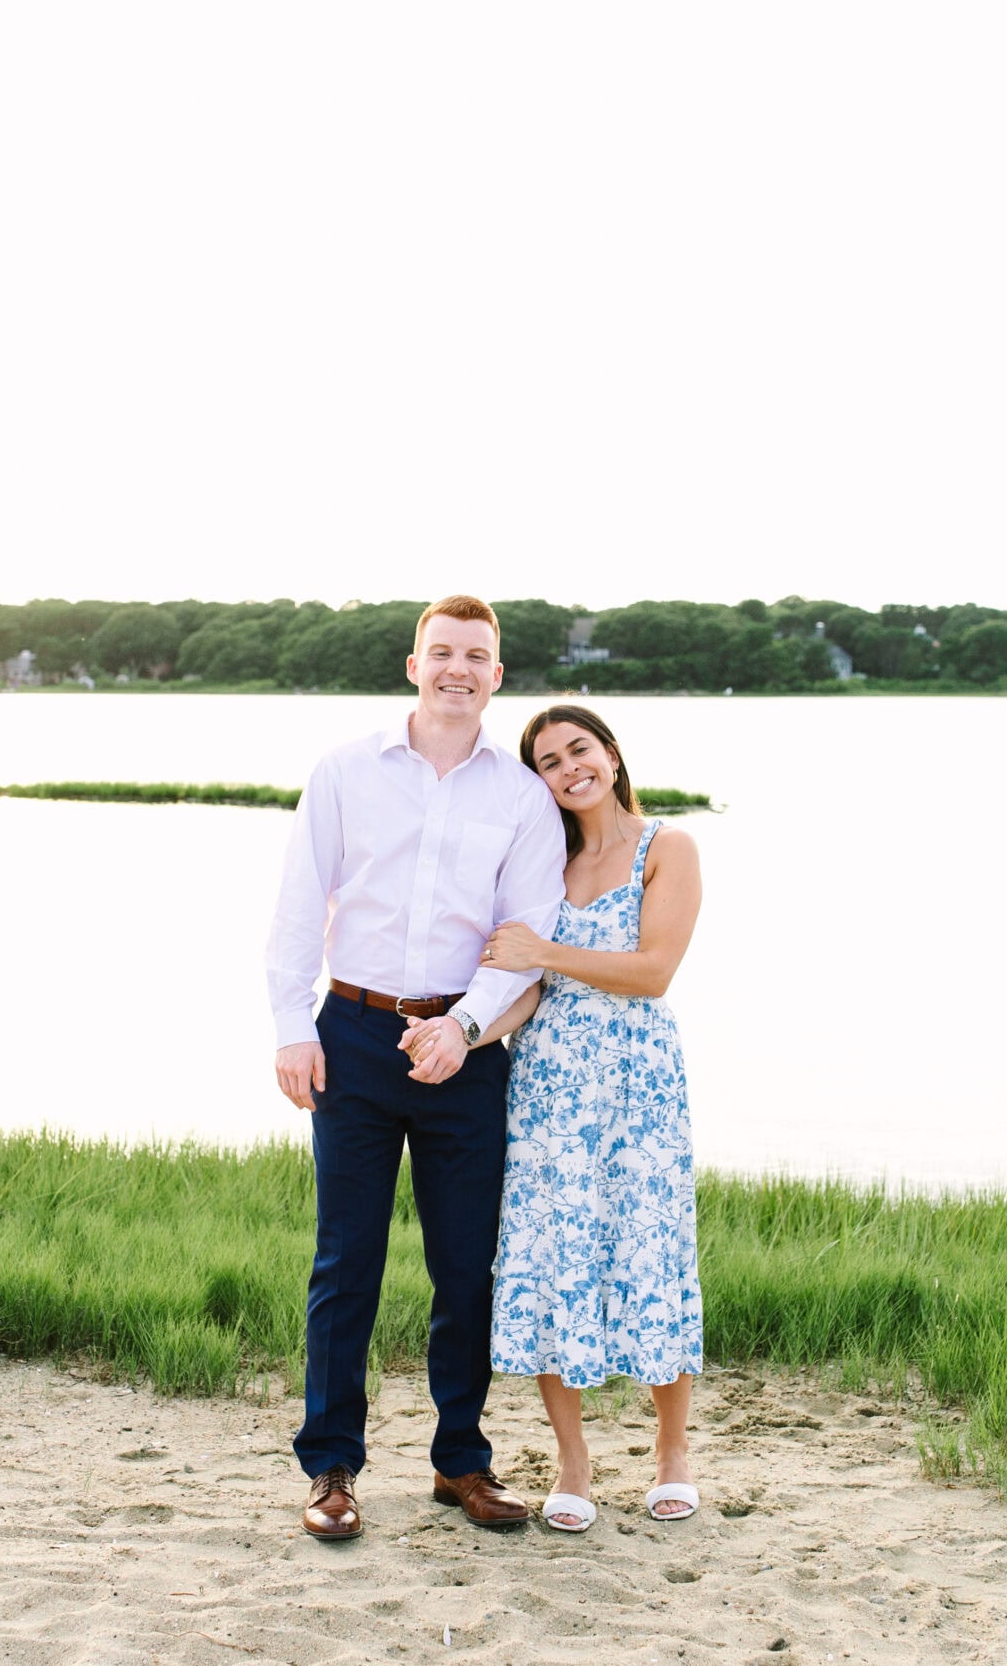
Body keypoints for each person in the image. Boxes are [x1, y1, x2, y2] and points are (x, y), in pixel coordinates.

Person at [266, 596, 567, 1541]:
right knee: (345, 1260)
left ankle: (461, 1462)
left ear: (497, 676)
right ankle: (331, 1468)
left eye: (477, 656)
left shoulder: (523, 799)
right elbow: (295, 907)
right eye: (443, 652)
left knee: (465, 1267)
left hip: (466, 1053)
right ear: (413, 664)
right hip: (352, 1035)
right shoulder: (348, 772)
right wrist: (291, 1026)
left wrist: (466, 1027)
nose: (458, 669)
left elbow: (527, 938)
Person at [479, 704, 706, 1531]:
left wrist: (543, 952)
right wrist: (463, 1036)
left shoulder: (666, 847)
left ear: (610, 755)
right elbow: (528, 992)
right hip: (546, 1089)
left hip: (638, 1087)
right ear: (537, 781)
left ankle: (672, 1451)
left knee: (650, 1249)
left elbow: (652, 972)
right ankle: (573, 1463)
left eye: (580, 749)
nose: (569, 767)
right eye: (548, 761)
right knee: (550, 1257)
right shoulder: (547, 863)